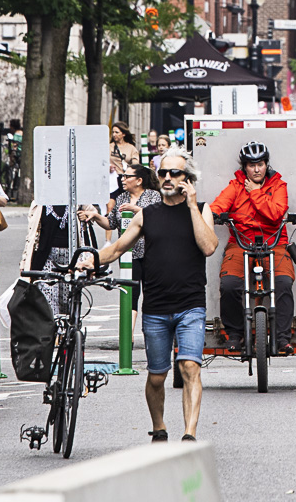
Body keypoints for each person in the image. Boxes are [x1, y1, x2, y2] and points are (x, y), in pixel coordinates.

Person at [78, 151, 218, 442]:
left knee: (190, 366)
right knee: (157, 375)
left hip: (190, 304)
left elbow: (208, 247)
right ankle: (159, 426)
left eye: (175, 173)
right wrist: (92, 260)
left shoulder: (202, 209)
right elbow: (117, 248)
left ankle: (190, 433)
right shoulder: (147, 214)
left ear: (188, 179)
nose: (167, 178)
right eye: (163, 172)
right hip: (155, 306)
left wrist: (191, 205)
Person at [211, 142, 295, 355]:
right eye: (251, 165)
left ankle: (282, 337)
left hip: (274, 242)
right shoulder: (236, 186)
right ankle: (236, 334)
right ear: (244, 167)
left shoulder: (278, 186)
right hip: (241, 242)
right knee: (229, 285)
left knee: (284, 283)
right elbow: (217, 206)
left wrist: (256, 193)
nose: (256, 169)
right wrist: (211, 215)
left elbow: (275, 214)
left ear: (267, 165)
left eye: (260, 164)